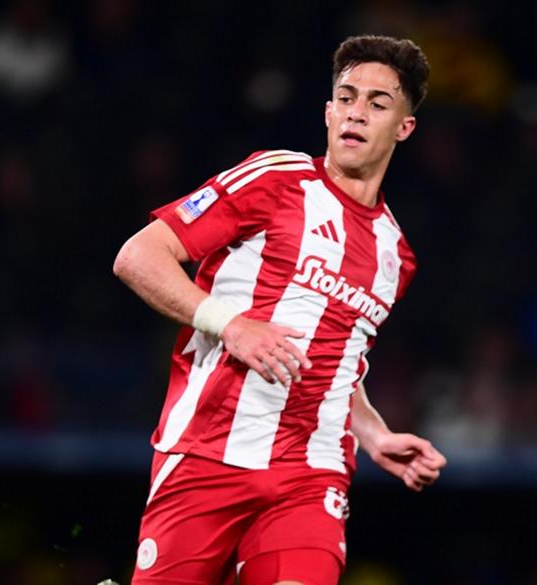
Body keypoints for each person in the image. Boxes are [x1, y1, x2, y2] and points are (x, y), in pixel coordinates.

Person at [113, 34, 447, 585]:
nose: (356, 113)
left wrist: (375, 435)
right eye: (346, 98)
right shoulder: (275, 178)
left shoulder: (396, 255)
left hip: (311, 472)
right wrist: (231, 326)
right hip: (207, 454)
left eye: (377, 104)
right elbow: (138, 257)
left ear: (403, 127)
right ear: (328, 112)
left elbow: (337, 362)